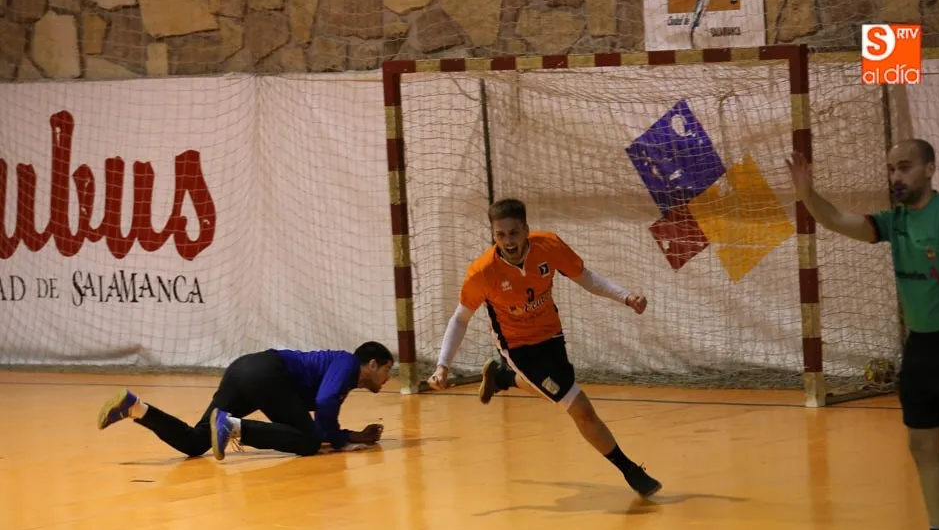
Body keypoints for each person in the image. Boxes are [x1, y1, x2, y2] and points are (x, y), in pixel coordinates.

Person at [426, 198, 662, 498]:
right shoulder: (482, 273)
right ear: (493, 235)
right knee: (581, 409)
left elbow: (585, 277)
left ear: (526, 229)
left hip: (551, 334)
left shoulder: (548, 245)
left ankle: (503, 378)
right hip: (518, 346)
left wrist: (625, 296)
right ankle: (630, 470)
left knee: (556, 391)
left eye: (513, 233)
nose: (508, 242)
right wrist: (442, 365)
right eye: (500, 235)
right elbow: (460, 319)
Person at [787, 139, 939, 530]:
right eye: (891, 168)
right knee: (922, 444)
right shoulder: (894, 222)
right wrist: (807, 194)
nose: (896, 176)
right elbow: (838, 219)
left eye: (905, 167)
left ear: (929, 169)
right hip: (922, 350)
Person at [97, 342, 395, 460]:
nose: (387, 378)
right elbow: (325, 402)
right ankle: (233, 427)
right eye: (387, 370)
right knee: (307, 443)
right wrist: (342, 441)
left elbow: (323, 411)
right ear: (371, 364)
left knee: (194, 442)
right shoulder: (346, 363)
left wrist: (346, 435)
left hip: (244, 370)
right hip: (267, 373)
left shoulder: (344, 373)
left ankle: (135, 408)